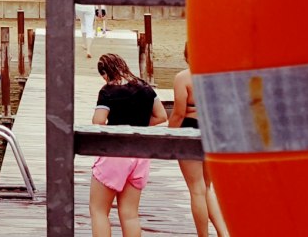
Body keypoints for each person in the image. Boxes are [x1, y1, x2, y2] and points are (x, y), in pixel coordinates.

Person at [90, 53, 166, 237]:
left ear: (105, 74)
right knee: (130, 214)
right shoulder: (146, 88)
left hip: (115, 153)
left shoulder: (108, 91)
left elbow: (98, 122)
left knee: (99, 210)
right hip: (140, 154)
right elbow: (162, 116)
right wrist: (137, 125)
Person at [171, 45, 231, 237]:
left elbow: (179, 112)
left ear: (187, 55)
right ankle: (223, 233)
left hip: (191, 130)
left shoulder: (183, 78)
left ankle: (203, 236)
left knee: (196, 189)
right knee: (206, 187)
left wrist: (169, 137)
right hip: (213, 132)